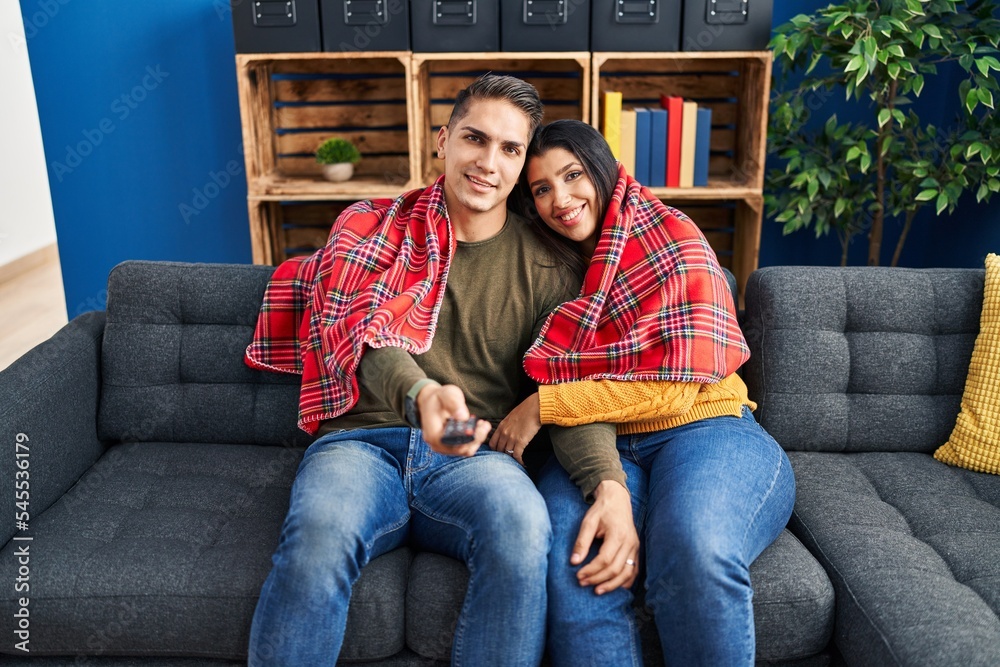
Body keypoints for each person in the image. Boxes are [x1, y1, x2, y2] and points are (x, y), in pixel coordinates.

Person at [244, 76, 604, 666]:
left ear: (522, 164)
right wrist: (421, 393)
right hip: (361, 442)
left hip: (472, 454)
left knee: (521, 526)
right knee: (318, 537)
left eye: (510, 149)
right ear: (443, 140)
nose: (488, 162)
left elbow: (565, 383)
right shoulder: (371, 226)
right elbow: (360, 332)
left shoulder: (548, 266)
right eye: (474, 138)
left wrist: (606, 484)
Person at [490, 119, 796, 667]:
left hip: (707, 427)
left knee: (694, 549)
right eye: (541, 188)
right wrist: (607, 483)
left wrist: (547, 404)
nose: (561, 199)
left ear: (602, 170)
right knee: (573, 561)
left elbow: (675, 389)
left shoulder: (671, 237)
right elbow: (551, 369)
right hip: (595, 446)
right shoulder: (546, 268)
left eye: (573, 175)